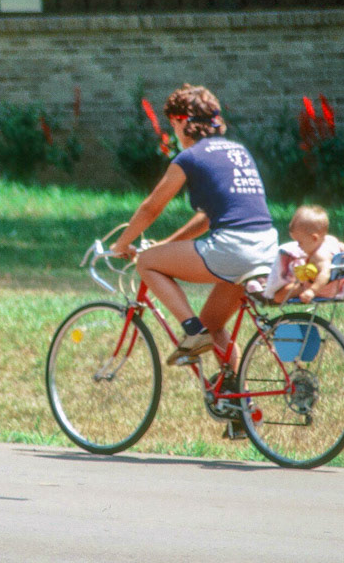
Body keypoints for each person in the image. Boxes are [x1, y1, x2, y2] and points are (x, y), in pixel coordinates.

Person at [110, 85, 279, 372]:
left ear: (181, 122)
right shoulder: (238, 150)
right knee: (214, 324)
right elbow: (207, 218)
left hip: (232, 249)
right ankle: (236, 393)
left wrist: (122, 244)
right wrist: (168, 244)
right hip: (265, 248)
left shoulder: (190, 158)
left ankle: (192, 331)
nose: (173, 131)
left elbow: (152, 207)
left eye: (173, 124)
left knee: (147, 262)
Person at [261, 204, 344, 304]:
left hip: (321, 289)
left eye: (300, 242)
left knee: (278, 297)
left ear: (314, 238)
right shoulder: (331, 240)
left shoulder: (320, 255)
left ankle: (266, 290)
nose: (298, 246)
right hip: (333, 285)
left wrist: (312, 291)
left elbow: (325, 274)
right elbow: (343, 247)